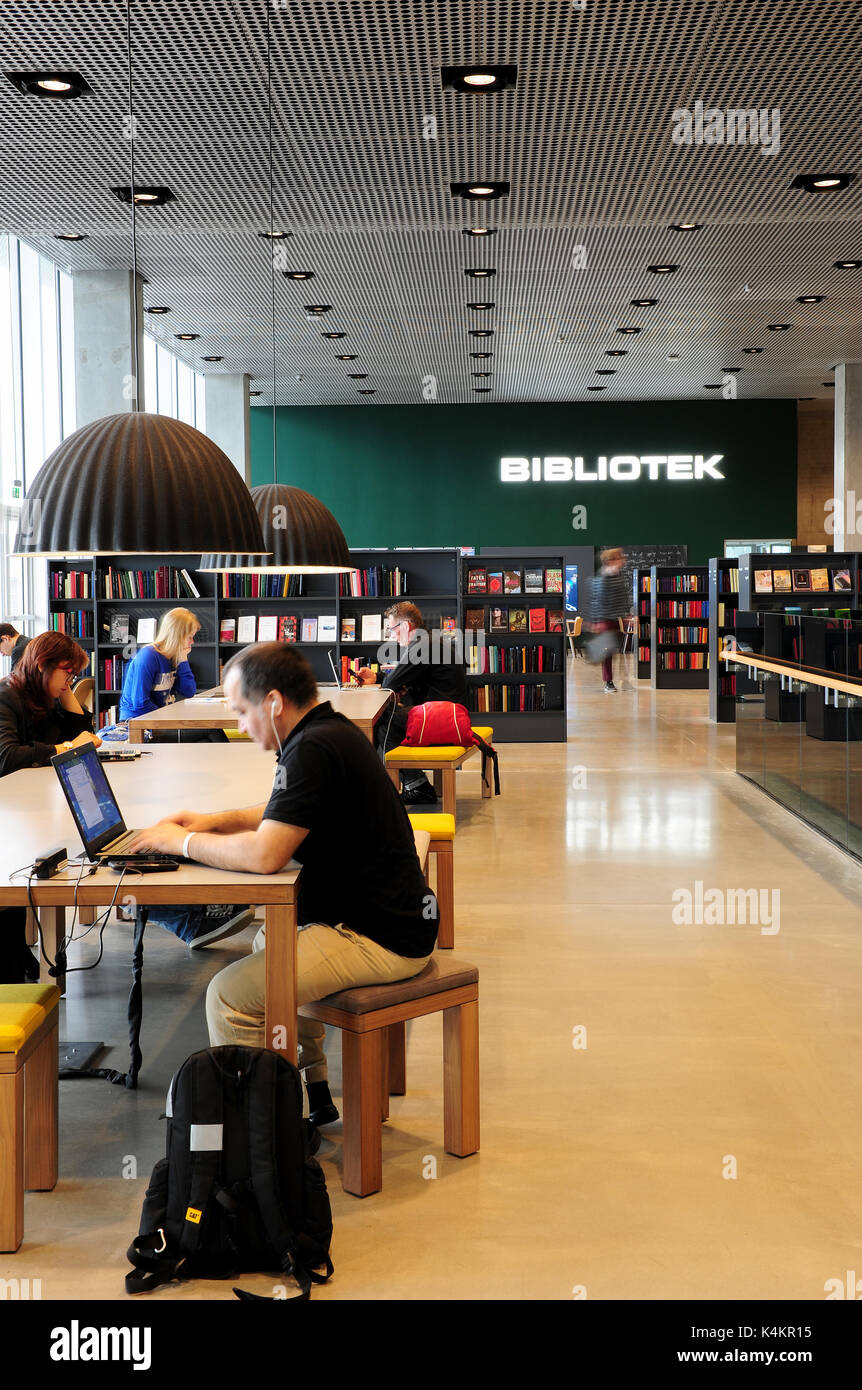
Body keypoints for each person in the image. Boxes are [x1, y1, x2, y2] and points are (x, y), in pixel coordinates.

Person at [126, 642, 437, 1131]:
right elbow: (283, 807)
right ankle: (309, 1088)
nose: (240, 727)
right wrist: (210, 823)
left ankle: (264, 1141)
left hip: (381, 937)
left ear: (273, 702)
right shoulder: (325, 732)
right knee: (269, 939)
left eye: (242, 712)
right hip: (386, 917)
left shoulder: (314, 748)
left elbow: (265, 856)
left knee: (228, 995)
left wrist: (182, 842)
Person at [0, 632, 100, 982]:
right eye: (66, 674)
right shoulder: (6, 697)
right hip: (9, 817)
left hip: (31, 809)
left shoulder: (45, 698)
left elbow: (79, 732)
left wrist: (65, 690)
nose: (69, 682)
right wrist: (62, 748)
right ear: (41, 666)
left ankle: (20, 963)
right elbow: (6, 756)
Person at [357, 600, 469, 805]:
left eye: (392, 629)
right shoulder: (429, 640)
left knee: (385, 723)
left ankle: (414, 787)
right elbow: (399, 679)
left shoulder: (422, 646)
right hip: (449, 712)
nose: (391, 635)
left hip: (442, 718)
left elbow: (392, 683)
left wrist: (388, 681)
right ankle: (375, 779)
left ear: (406, 626)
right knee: (387, 721)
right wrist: (377, 678)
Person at [119, 606, 226, 742]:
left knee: (205, 742)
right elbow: (139, 703)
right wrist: (170, 718)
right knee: (212, 728)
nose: (192, 642)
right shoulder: (148, 656)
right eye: (190, 637)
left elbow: (188, 692)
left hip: (158, 721)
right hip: (138, 725)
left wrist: (183, 660)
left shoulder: (174, 656)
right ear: (176, 636)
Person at [586, 548, 632, 693]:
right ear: (610, 560)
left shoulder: (619, 576)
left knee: (616, 649)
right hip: (604, 618)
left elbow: (623, 596)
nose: (623, 559)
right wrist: (595, 621)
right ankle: (608, 682)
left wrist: (627, 614)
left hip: (616, 617)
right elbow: (596, 600)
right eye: (619, 557)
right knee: (608, 651)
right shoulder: (602, 577)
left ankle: (619, 680)